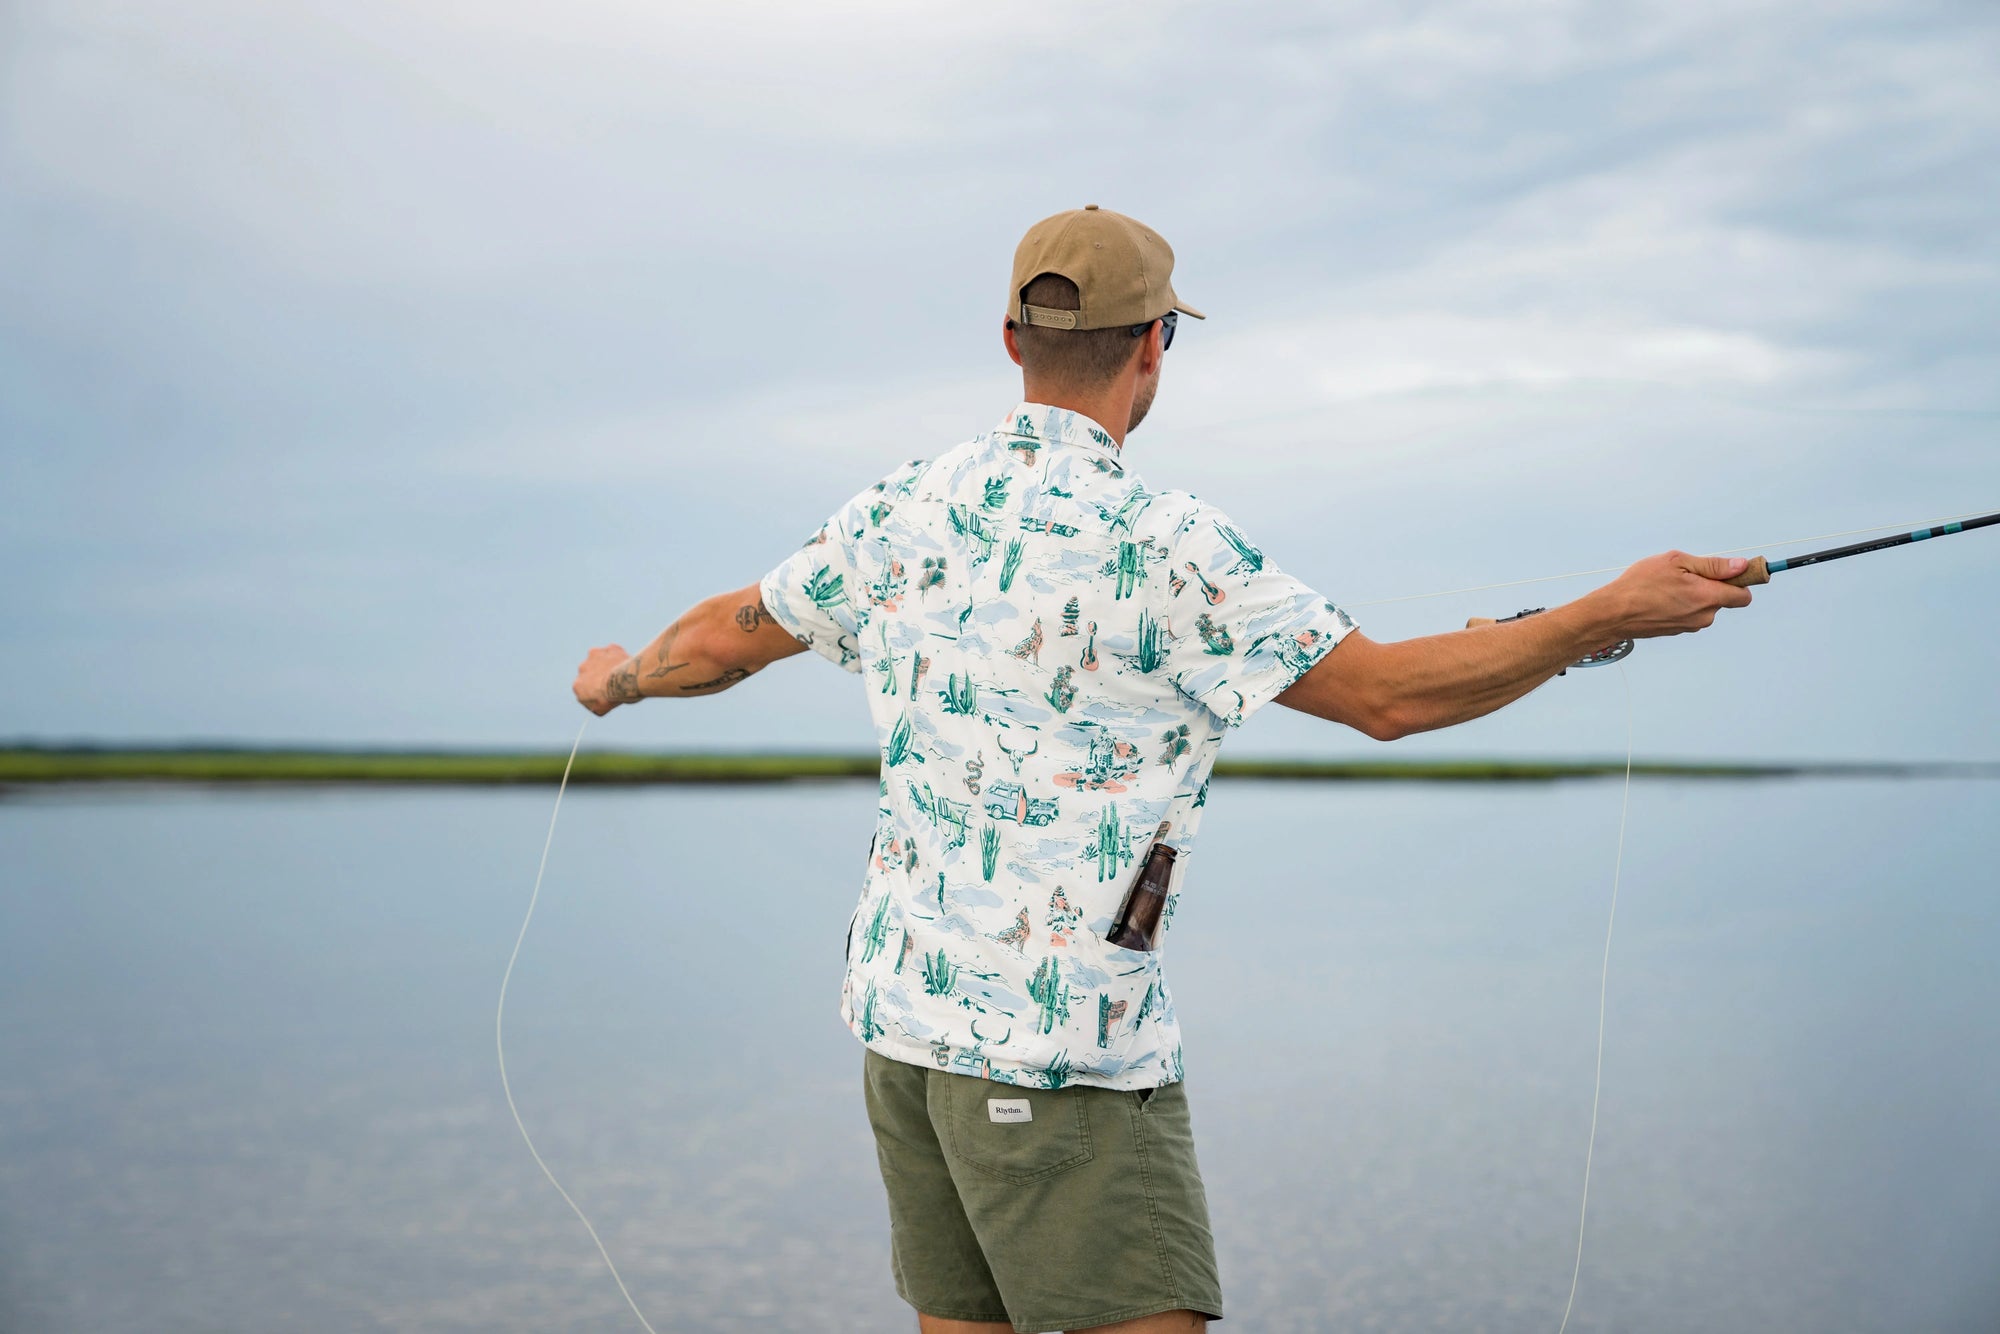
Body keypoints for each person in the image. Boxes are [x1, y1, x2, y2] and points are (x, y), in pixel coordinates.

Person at [571, 205, 1754, 1334]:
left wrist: (617, 679)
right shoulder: (1170, 546)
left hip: (902, 1040)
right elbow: (1387, 694)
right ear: (1155, 346)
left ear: (1008, 341)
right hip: (1062, 1059)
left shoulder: (901, 511)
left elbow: (725, 635)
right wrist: (1605, 613)